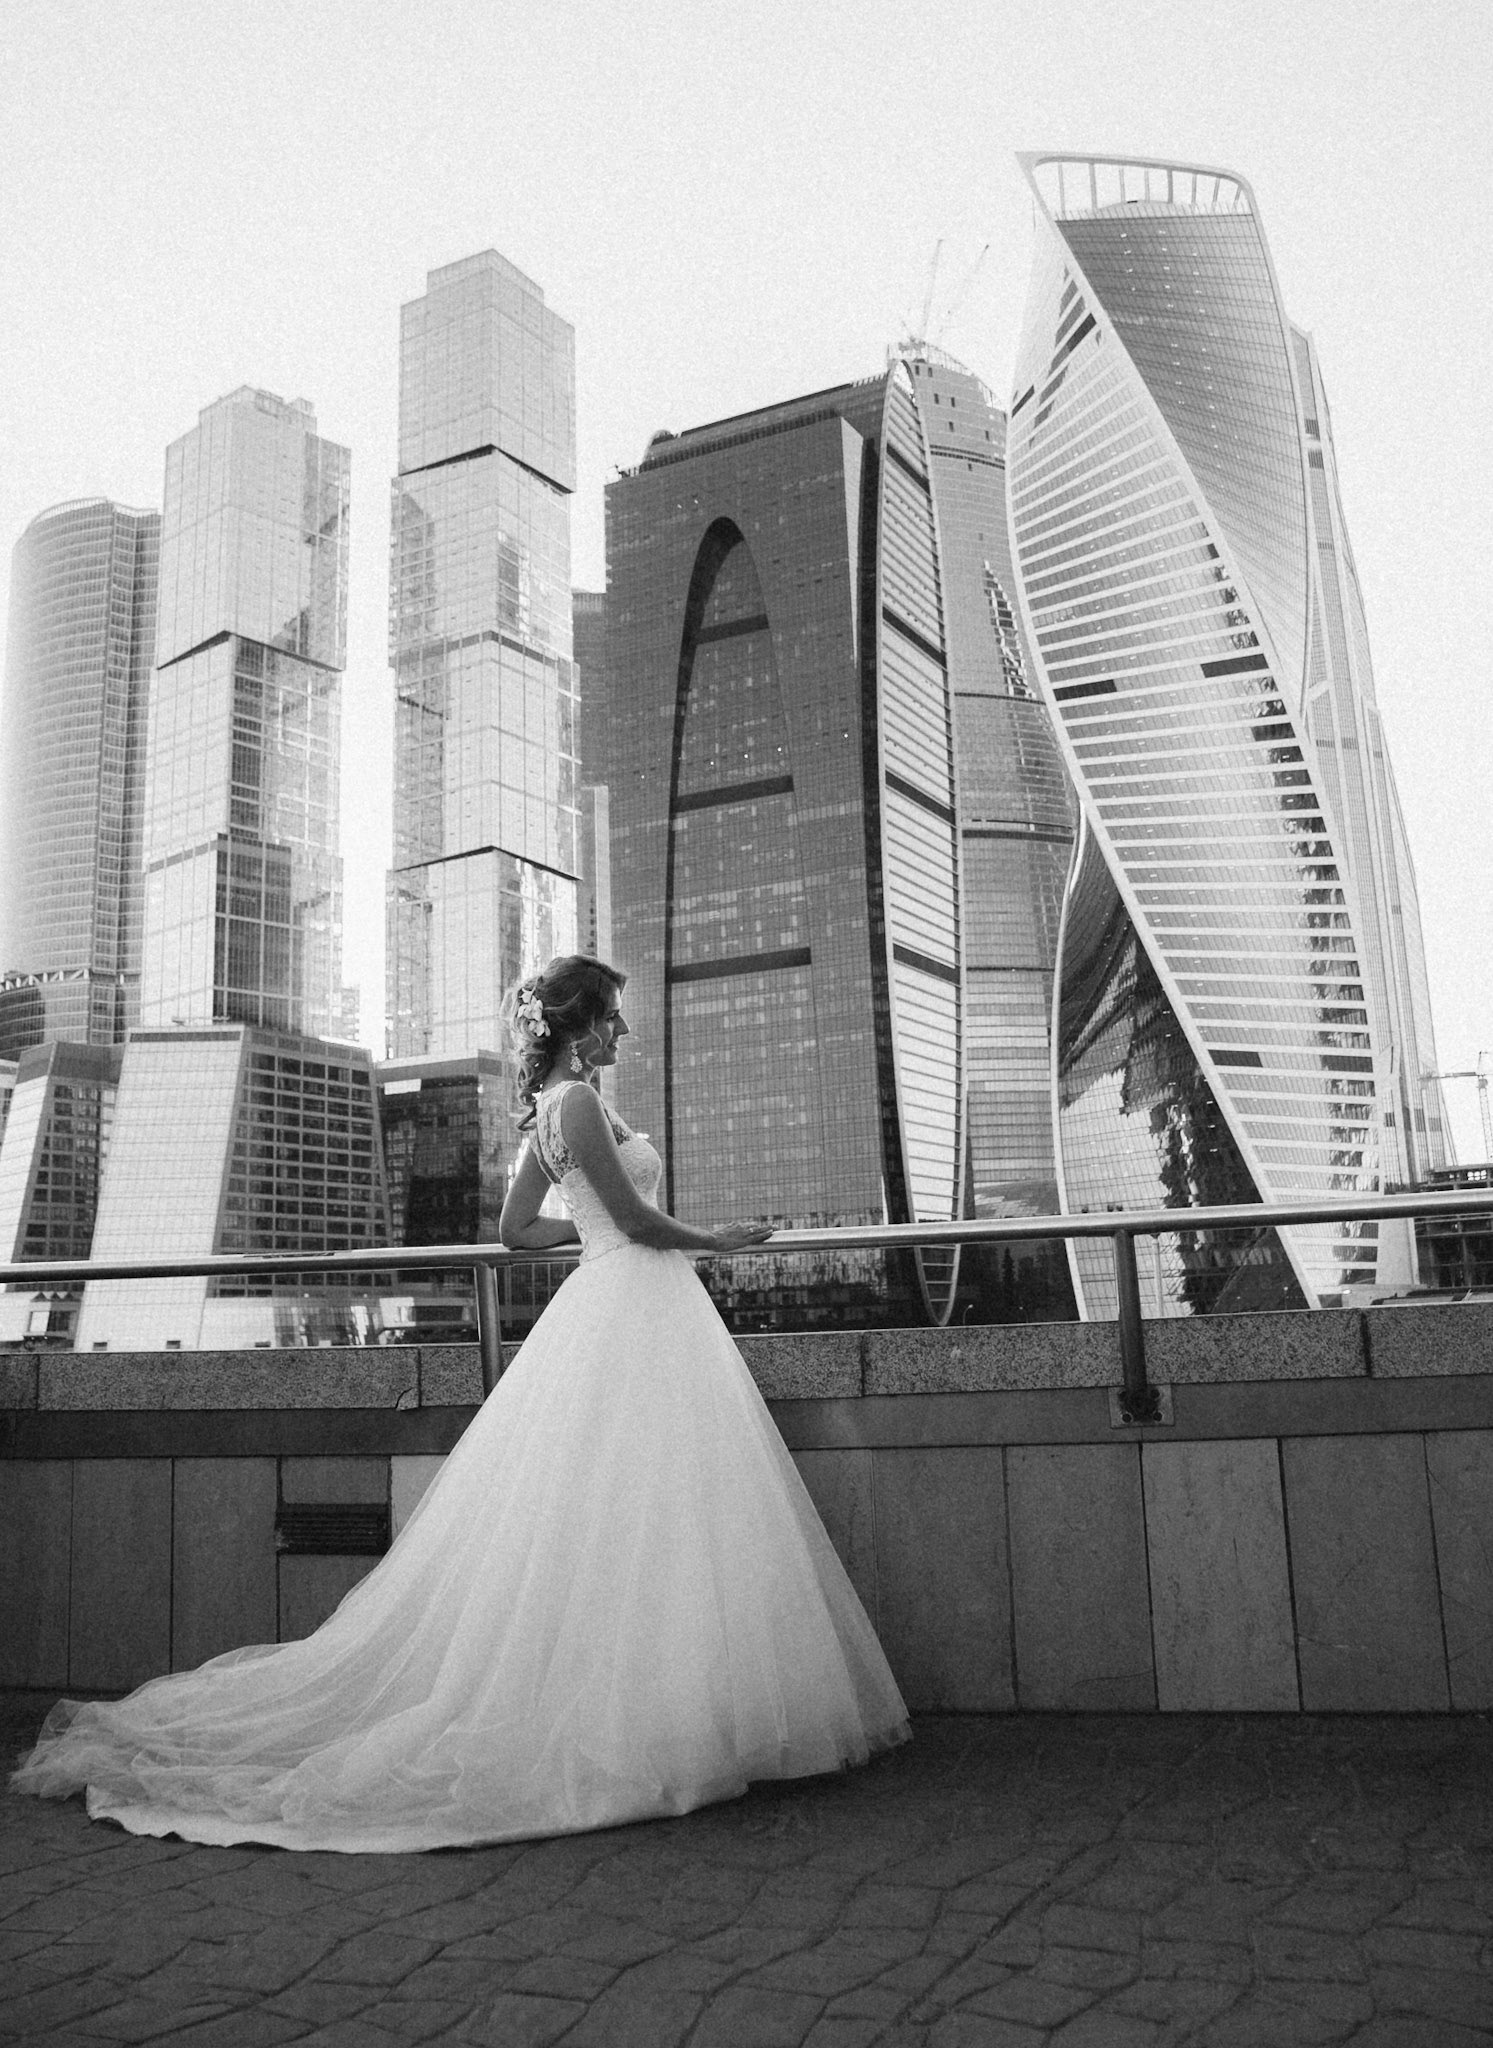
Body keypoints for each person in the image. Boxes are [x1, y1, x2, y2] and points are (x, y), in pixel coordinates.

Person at [11, 954, 908, 1852]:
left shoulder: (556, 1107)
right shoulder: (576, 1103)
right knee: (653, 1501)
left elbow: (518, 1230)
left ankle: (667, 1706)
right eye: (612, 1017)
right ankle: (667, 1714)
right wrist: (716, 1239)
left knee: (632, 1504)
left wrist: (592, 1227)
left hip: (619, 1298)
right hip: (634, 1298)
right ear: (578, 1024)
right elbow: (634, 1222)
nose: (623, 1032)